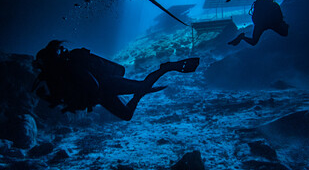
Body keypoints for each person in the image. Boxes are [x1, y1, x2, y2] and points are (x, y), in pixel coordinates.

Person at [32, 40, 200, 121]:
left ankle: (166, 68)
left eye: (40, 65)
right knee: (127, 115)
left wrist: (90, 98)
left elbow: (93, 84)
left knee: (142, 85)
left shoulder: (67, 67)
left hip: (107, 84)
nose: (39, 69)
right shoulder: (56, 76)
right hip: (101, 95)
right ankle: (140, 93)